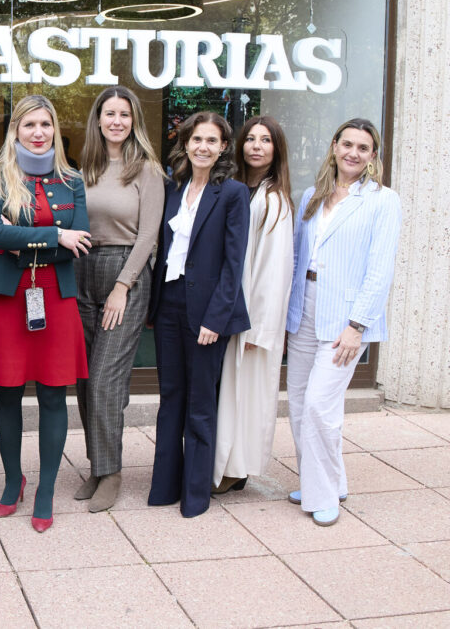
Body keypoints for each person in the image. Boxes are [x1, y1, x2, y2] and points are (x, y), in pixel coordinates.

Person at [0, 95, 90, 532]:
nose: (38, 133)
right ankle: (11, 481)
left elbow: (82, 241)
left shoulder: (71, 179)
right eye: (28, 125)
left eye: (45, 124)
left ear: (55, 130)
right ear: (15, 130)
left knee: (54, 394)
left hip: (53, 296)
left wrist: (36, 240)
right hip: (8, 295)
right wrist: (57, 234)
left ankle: (45, 490)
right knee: (7, 391)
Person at [286, 118, 401, 526]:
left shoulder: (383, 201)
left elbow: (380, 269)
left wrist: (358, 325)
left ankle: (322, 496)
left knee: (321, 405)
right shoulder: (310, 196)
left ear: (373, 156)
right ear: (334, 146)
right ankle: (330, 482)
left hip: (346, 318)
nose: (353, 152)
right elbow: (298, 259)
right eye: (347, 144)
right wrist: (288, 313)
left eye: (363, 147)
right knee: (299, 404)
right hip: (305, 309)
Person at [147, 111, 250, 518]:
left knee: (200, 403)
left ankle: (195, 495)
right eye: (196, 139)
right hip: (169, 303)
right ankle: (164, 487)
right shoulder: (173, 188)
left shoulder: (233, 193)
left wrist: (216, 318)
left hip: (208, 311)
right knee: (170, 398)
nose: (203, 147)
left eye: (212, 140)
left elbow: (234, 262)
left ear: (223, 147)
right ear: (185, 143)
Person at [73, 86, 165, 512]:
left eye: (124, 114)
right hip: (82, 271)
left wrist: (123, 287)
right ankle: (97, 465)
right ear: (97, 119)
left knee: (107, 378)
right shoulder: (83, 169)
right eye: (109, 113)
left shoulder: (145, 168)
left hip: (123, 273)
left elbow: (149, 235)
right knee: (86, 378)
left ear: (134, 121)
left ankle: (111, 473)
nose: (116, 121)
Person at [212, 116, 295, 494]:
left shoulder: (274, 199)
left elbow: (274, 272)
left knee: (245, 396)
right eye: (250, 139)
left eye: (266, 140)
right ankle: (221, 464)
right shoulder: (231, 188)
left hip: (250, 317)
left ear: (277, 150)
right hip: (223, 307)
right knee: (225, 394)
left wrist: (257, 326)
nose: (256, 146)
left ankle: (236, 469)